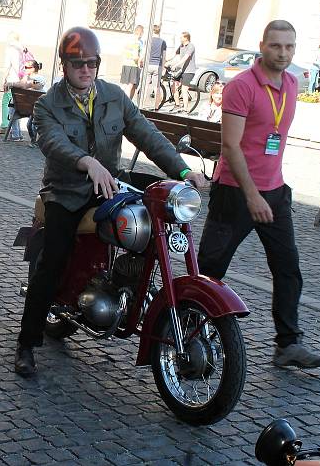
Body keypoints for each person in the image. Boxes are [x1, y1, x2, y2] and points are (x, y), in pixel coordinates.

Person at [14, 26, 207, 377]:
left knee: (149, 223)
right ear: (64, 65)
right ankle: (27, 343)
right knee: (52, 260)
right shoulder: (48, 105)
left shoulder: (114, 97)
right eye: (77, 64)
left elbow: (146, 134)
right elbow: (52, 142)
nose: (85, 70)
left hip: (109, 187)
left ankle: (127, 288)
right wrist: (86, 162)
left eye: (91, 63)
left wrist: (181, 171)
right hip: (66, 191)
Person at [197, 20, 320, 370]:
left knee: (288, 269)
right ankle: (187, 334)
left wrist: (270, 191)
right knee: (210, 270)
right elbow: (230, 146)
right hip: (235, 193)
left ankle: (287, 344)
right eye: (275, 46)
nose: (282, 53)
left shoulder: (291, 83)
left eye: (289, 47)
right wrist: (252, 195)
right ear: (262, 45)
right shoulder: (240, 86)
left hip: (275, 192)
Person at [0, 32, 25, 140]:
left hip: (12, 81)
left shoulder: (11, 49)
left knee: (7, 103)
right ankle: (16, 131)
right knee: (18, 106)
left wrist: (4, 80)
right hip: (22, 82)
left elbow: (7, 66)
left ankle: (5, 125)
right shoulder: (23, 49)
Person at [170, 32, 196, 113]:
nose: (180, 39)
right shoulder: (181, 46)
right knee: (173, 86)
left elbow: (185, 58)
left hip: (189, 71)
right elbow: (174, 55)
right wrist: (166, 61)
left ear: (186, 38)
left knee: (184, 89)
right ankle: (177, 105)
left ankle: (186, 109)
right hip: (181, 70)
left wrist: (176, 65)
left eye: (181, 37)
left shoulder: (191, 46)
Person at [145, 24, 167, 109]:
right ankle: (156, 106)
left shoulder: (149, 40)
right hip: (157, 65)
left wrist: (142, 61)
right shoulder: (163, 42)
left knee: (146, 85)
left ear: (152, 31)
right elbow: (164, 56)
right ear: (159, 31)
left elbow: (145, 52)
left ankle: (143, 104)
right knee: (156, 86)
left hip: (148, 64)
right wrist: (163, 67)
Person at [120, 24, 144, 99]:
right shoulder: (137, 42)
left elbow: (123, 52)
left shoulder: (128, 40)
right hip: (133, 65)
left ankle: (119, 99)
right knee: (130, 86)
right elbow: (135, 57)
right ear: (141, 32)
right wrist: (140, 60)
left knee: (124, 85)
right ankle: (126, 103)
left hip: (125, 64)